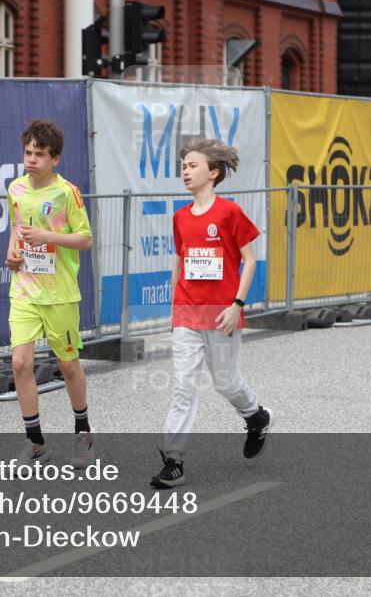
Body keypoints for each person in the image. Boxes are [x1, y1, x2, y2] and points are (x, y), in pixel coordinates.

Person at [151, 139, 272, 489]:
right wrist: (175, 301)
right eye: (184, 166)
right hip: (187, 312)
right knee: (183, 387)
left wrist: (237, 304)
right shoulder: (181, 217)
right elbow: (181, 259)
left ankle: (256, 416)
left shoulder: (229, 213)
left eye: (192, 166)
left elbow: (249, 260)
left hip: (222, 314)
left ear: (213, 173)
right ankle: (174, 461)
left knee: (225, 382)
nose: (185, 171)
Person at [5, 120, 95, 469]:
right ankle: (36, 442)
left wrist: (49, 238)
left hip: (59, 295)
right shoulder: (15, 188)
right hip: (24, 290)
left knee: (68, 365)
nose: (31, 159)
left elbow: (85, 240)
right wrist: (12, 252)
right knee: (19, 363)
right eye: (28, 152)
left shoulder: (66, 193)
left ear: (54, 158)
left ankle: (83, 431)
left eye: (39, 154)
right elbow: (16, 226)